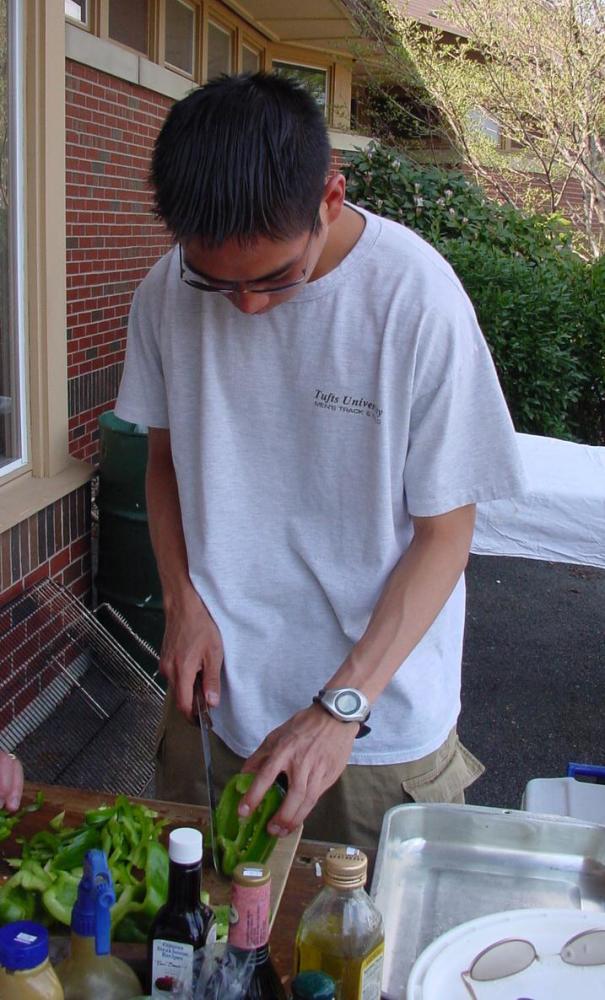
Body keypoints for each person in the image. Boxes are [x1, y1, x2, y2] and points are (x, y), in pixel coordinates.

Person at [116, 72, 525, 846]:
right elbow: (164, 460)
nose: (247, 307)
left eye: (274, 278)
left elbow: (445, 534)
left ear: (330, 198)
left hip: (373, 726)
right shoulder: (165, 292)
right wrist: (181, 602)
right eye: (216, 281)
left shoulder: (415, 300)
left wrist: (340, 706)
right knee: (188, 937)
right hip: (215, 702)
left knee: (357, 952)